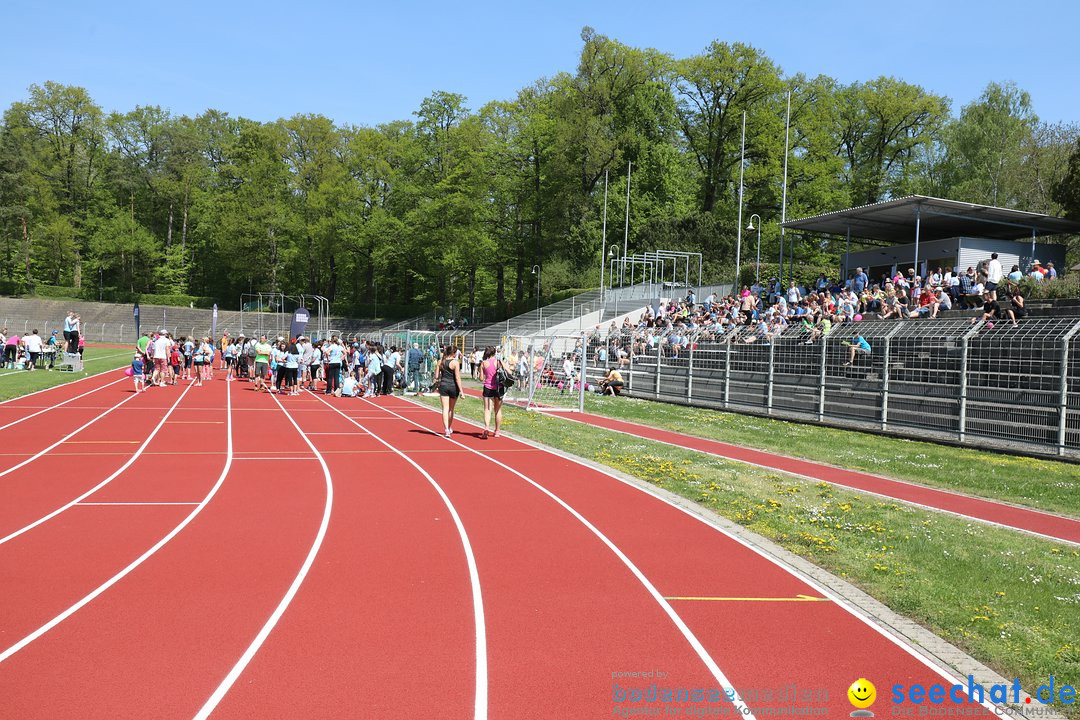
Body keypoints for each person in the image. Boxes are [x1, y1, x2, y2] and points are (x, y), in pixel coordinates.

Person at [479, 346, 511, 438]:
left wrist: (483, 372)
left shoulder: (484, 363)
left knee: (487, 409)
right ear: (494, 353)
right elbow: (509, 372)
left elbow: (481, 378)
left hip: (488, 387)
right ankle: (497, 431)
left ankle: (486, 428)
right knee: (497, 410)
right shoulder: (499, 362)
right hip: (499, 388)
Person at [434, 344, 462, 438]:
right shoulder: (455, 363)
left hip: (444, 386)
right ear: (453, 353)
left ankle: (446, 429)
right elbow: (457, 378)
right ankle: (449, 427)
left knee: (445, 408)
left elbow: (436, 376)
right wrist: (461, 391)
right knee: (451, 409)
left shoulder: (441, 361)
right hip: (453, 387)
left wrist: (437, 382)